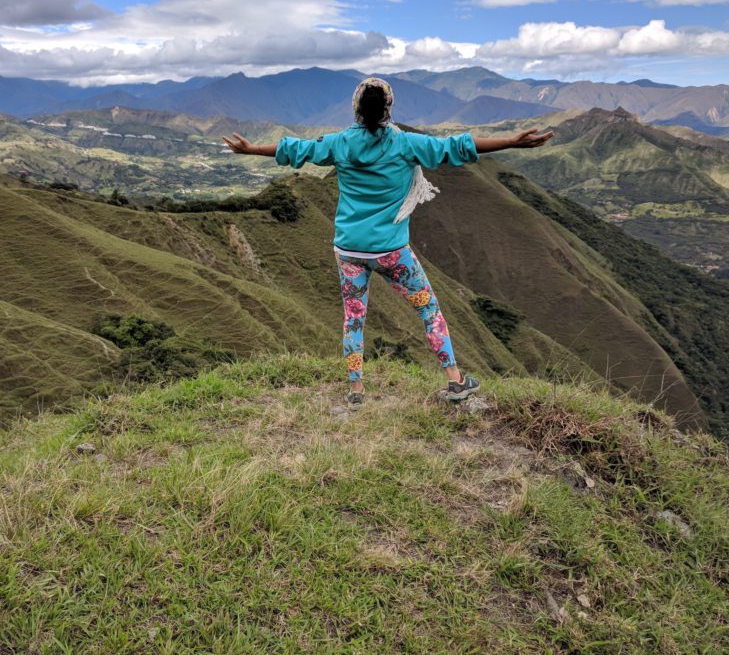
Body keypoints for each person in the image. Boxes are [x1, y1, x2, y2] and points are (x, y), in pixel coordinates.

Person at [223, 77, 553, 407]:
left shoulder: (340, 143)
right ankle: (455, 381)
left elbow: (297, 149)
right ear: (388, 108)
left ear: (356, 108)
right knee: (429, 310)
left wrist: (251, 149)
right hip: (392, 252)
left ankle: (356, 390)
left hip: (349, 250)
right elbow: (455, 146)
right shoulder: (405, 144)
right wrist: (511, 141)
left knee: (354, 318)